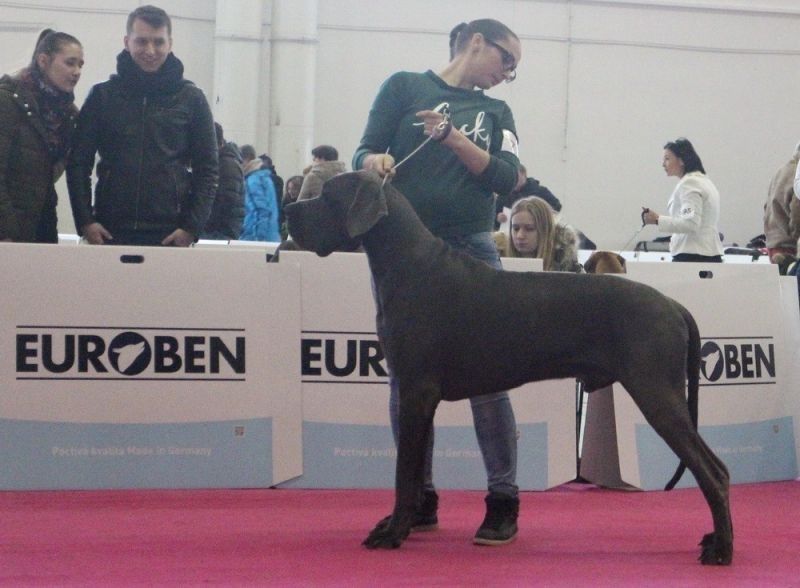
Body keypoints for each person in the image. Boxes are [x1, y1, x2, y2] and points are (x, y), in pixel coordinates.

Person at [353, 18, 522, 546]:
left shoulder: (496, 112)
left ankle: (503, 499)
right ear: (477, 42)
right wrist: (374, 160)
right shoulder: (403, 87)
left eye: (514, 69)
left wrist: (451, 138)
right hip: (403, 256)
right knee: (406, 381)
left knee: (490, 380)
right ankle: (417, 498)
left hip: (472, 248)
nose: (508, 73)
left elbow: (506, 179)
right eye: (506, 60)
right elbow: (361, 153)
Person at [67, 5, 218, 246]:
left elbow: (208, 169)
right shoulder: (102, 96)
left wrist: (191, 227)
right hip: (109, 231)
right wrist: (85, 221)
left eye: (158, 42)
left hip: (170, 234)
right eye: (141, 41)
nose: (150, 50)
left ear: (170, 44)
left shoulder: (192, 99)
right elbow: (78, 163)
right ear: (127, 42)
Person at [0, 30, 83, 243]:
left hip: (42, 220)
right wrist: (6, 231)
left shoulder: (69, 115)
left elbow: (49, 173)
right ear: (43, 61)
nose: (77, 72)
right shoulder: (8, 101)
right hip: (9, 226)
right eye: (70, 63)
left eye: (80, 65)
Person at [642, 138, 724, 262]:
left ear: (681, 160)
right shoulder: (704, 181)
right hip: (705, 253)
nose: (663, 164)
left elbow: (690, 224)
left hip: (693, 255)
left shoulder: (690, 183)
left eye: (667, 159)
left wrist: (657, 219)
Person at [504, 196, 582, 272]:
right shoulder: (498, 257)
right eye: (516, 228)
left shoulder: (568, 266)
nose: (520, 236)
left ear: (545, 230)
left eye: (529, 229)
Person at [200, 122, 244, 240]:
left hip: (220, 233)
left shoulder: (227, 165)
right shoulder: (222, 163)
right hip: (219, 231)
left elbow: (224, 203)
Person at [763, 142, 800, 263]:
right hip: (791, 247)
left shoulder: (781, 171)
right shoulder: (797, 174)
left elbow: (767, 207)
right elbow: (797, 212)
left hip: (774, 243)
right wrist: (797, 238)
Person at [494, 163, 561, 225]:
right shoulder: (504, 194)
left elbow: (557, 207)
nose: (513, 179)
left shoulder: (540, 191)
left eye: (516, 176)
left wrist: (540, 214)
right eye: (510, 176)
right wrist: (498, 217)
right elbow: (493, 214)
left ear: (524, 175)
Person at [239, 149, 280, 242]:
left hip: (255, 236)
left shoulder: (253, 180)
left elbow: (261, 210)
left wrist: (259, 238)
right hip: (271, 234)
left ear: (246, 160)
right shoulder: (265, 177)